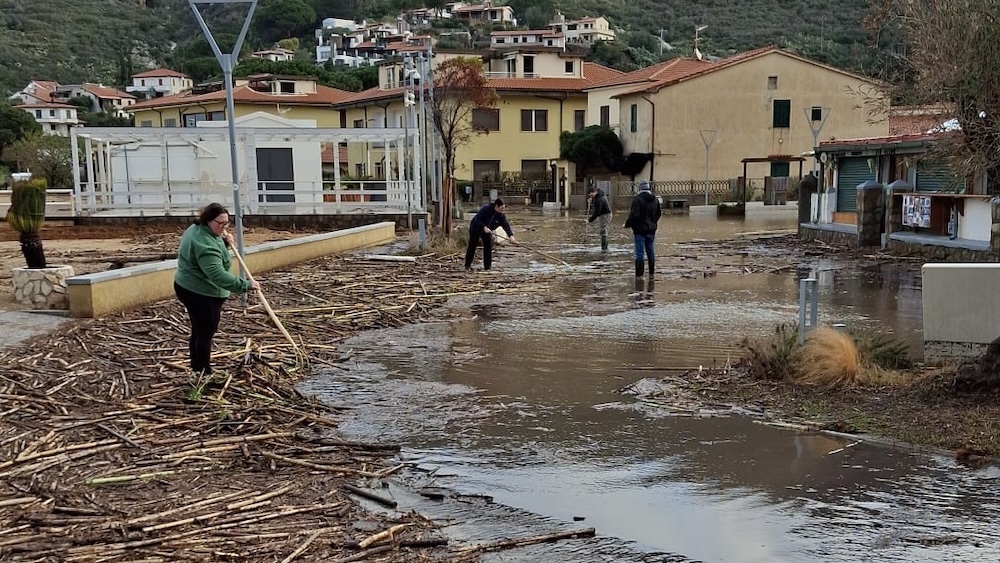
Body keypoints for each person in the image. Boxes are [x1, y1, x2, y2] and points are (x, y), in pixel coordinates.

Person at [174, 203, 260, 375]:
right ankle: (203, 372)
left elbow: (215, 248)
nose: (223, 227)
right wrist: (245, 285)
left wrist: (224, 242)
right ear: (208, 220)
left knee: (198, 329)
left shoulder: (198, 229)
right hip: (200, 292)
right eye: (219, 223)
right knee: (205, 332)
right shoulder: (205, 245)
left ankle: (197, 369)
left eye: (226, 223)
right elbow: (218, 275)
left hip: (186, 285)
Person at [464, 198, 516, 271]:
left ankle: (487, 267)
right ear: (496, 206)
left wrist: (511, 236)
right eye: (502, 208)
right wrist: (483, 227)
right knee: (472, 246)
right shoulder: (486, 209)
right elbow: (477, 219)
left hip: (488, 231)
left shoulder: (501, 216)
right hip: (476, 228)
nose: (503, 210)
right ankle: (467, 265)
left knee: (488, 247)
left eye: (504, 208)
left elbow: (505, 225)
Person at [623, 180, 662, 278]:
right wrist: (653, 223)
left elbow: (634, 215)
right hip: (651, 230)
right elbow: (658, 214)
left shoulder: (637, 199)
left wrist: (627, 224)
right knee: (651, 251)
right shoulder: (655, 199)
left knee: (639, 253)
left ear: (640, 188)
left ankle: (639, 276)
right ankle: (652, 273)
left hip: (640, 231)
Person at [586, 186, 613, 251]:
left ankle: (604, 247)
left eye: (591, 195)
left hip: (605, 215)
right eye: (590, 196)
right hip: (603, 214)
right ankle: (604, 246)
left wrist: (589, 220)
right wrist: (591, 200)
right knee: (603, 229)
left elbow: (597, 212)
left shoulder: (599, 199)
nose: (591, 196)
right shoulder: (598, 195)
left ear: (594, 192)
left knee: (603, 229)